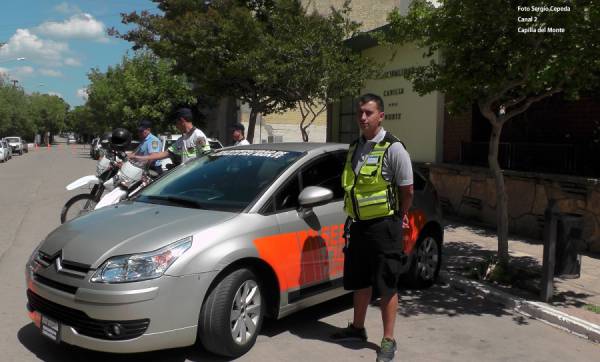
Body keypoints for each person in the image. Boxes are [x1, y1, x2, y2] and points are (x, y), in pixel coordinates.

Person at [332, 93, 413, 362]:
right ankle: (357, 328)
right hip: (358, 226)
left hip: (385, 227)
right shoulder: (355, 146)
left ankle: (388, 341)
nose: (363, 118)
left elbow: (407, 190)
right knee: (360, 280)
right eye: (360, 113)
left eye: (369, 113)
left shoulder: (394, 148)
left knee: (387, 284)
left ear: (381, 116)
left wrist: (400, 216)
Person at [130, 107, 210, 167]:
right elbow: (164, 154)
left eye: (176, 123)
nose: (176, 126)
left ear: (182, 121)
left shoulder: (198, 136)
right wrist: (136, 157)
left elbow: (207, 157)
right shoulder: (181, 140)